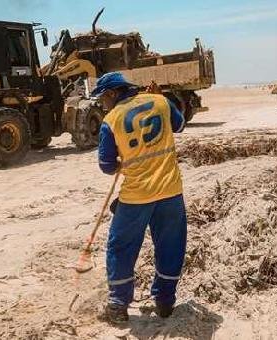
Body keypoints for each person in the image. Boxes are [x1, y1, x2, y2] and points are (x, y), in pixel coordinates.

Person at [92, 72, 187, 323]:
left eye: (103, 98)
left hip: (136, 196)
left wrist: (121, 164)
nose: (102, 104)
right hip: (170, 191)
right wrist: (160, 96)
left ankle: (118, 304)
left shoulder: (111, 120)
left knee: (121, 247)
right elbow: (179, 125)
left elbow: (105, 164)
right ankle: (165, 301)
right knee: (170, 246)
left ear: (112, 94)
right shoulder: (160, 102)